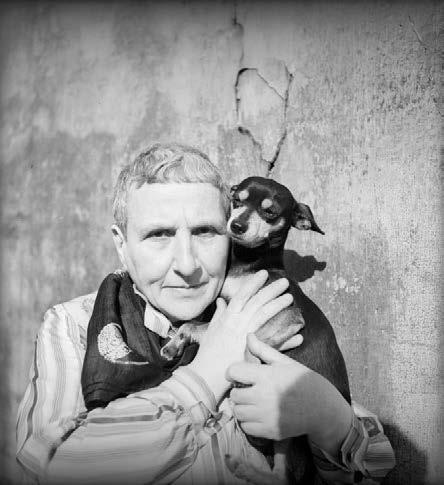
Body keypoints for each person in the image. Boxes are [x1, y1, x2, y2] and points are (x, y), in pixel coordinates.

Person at [16, 143, 395, 484]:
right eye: (159, 234)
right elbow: (45, 471)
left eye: (206, 232)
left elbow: (377, 464)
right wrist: (208, 373)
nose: (187, 265)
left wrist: (330, 420)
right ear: (122, 245)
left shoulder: (258, 311)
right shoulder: (72, 326)